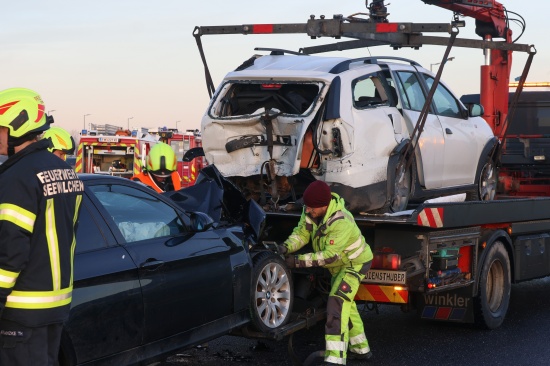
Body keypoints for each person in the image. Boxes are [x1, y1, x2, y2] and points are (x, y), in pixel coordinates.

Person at [0, 88, 84, 365]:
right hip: (56, 304)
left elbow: (10, 249)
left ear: (16, 127)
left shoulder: (17, 177)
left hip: (21, 308)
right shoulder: (65, 171)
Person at [278, 180, 374, 365]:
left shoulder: (341, 221)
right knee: (347, 305)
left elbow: (330, 256)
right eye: (306, 207)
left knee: (336, 304)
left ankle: (335, 359)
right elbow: (302, 234)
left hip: (354, 264)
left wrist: (296, 262)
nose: (308, 211)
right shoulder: (312, 212)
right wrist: (286, 247)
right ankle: (361, 349)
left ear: (324, 205)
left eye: (312, 208)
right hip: (339, 266)